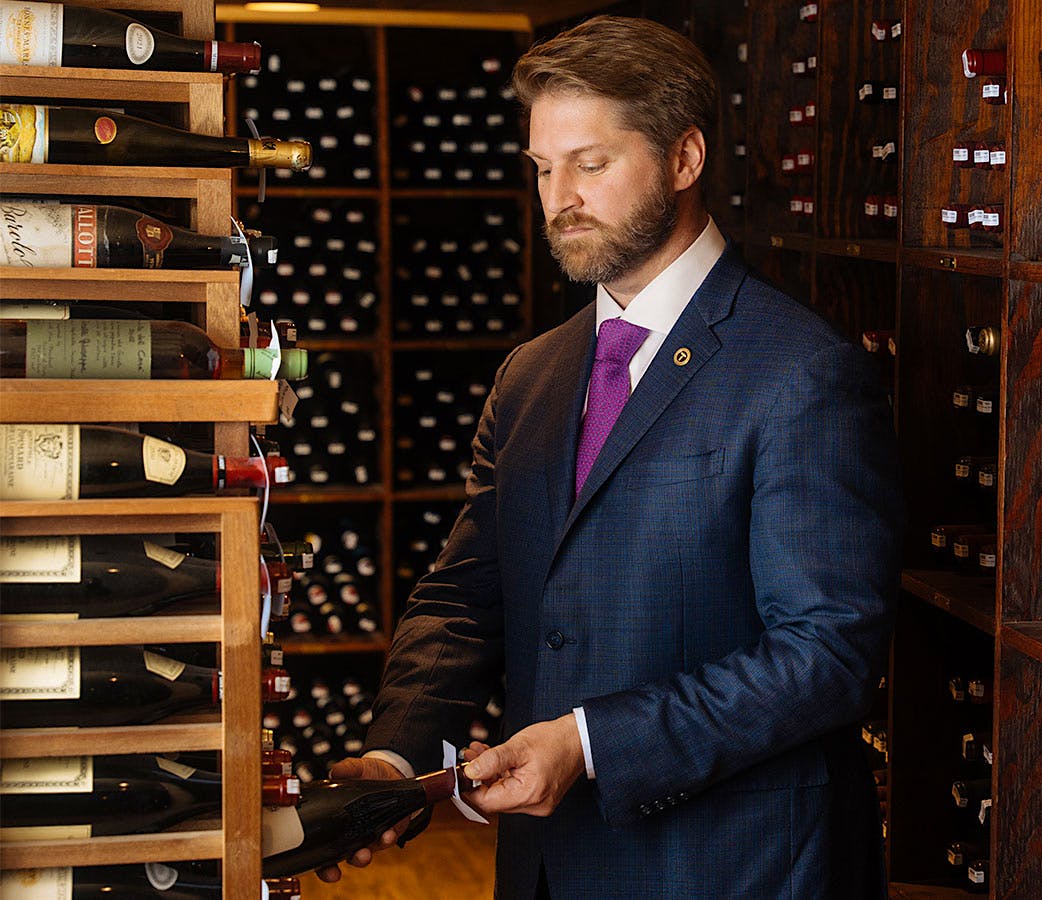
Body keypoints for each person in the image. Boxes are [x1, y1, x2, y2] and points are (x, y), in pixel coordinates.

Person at [315, 15, 903, 898]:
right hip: (551, 869)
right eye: (544, 168)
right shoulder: (532, 375)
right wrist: (397, 755)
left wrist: (591, 744)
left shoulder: (800, 372)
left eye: (591, 163)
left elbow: (830, 653)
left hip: (731, 869)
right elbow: (468, 594)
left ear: (684, 158)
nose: (560, 197)